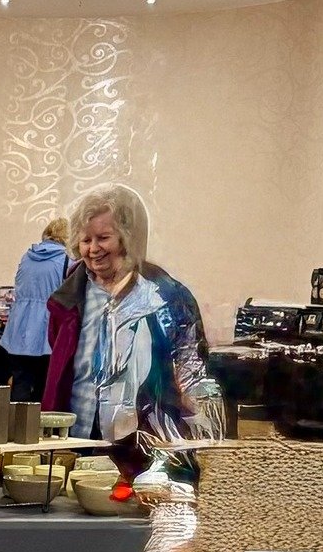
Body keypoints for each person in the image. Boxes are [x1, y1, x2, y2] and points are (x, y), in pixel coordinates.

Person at [42, 184, 213, 483]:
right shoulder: (67, 298)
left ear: (127, 238)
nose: (93, 249)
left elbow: (191, 374)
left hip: (145, 452)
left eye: (103, 238)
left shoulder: (166, 296)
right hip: (75, 443)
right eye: (85, 240)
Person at [1, 217, 69, 401]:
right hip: (46, 333)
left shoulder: (27, 256)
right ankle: (41, 429)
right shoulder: (66, 260)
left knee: (20, 382)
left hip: (17, 331)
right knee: (45, 385)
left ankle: (16, 426)